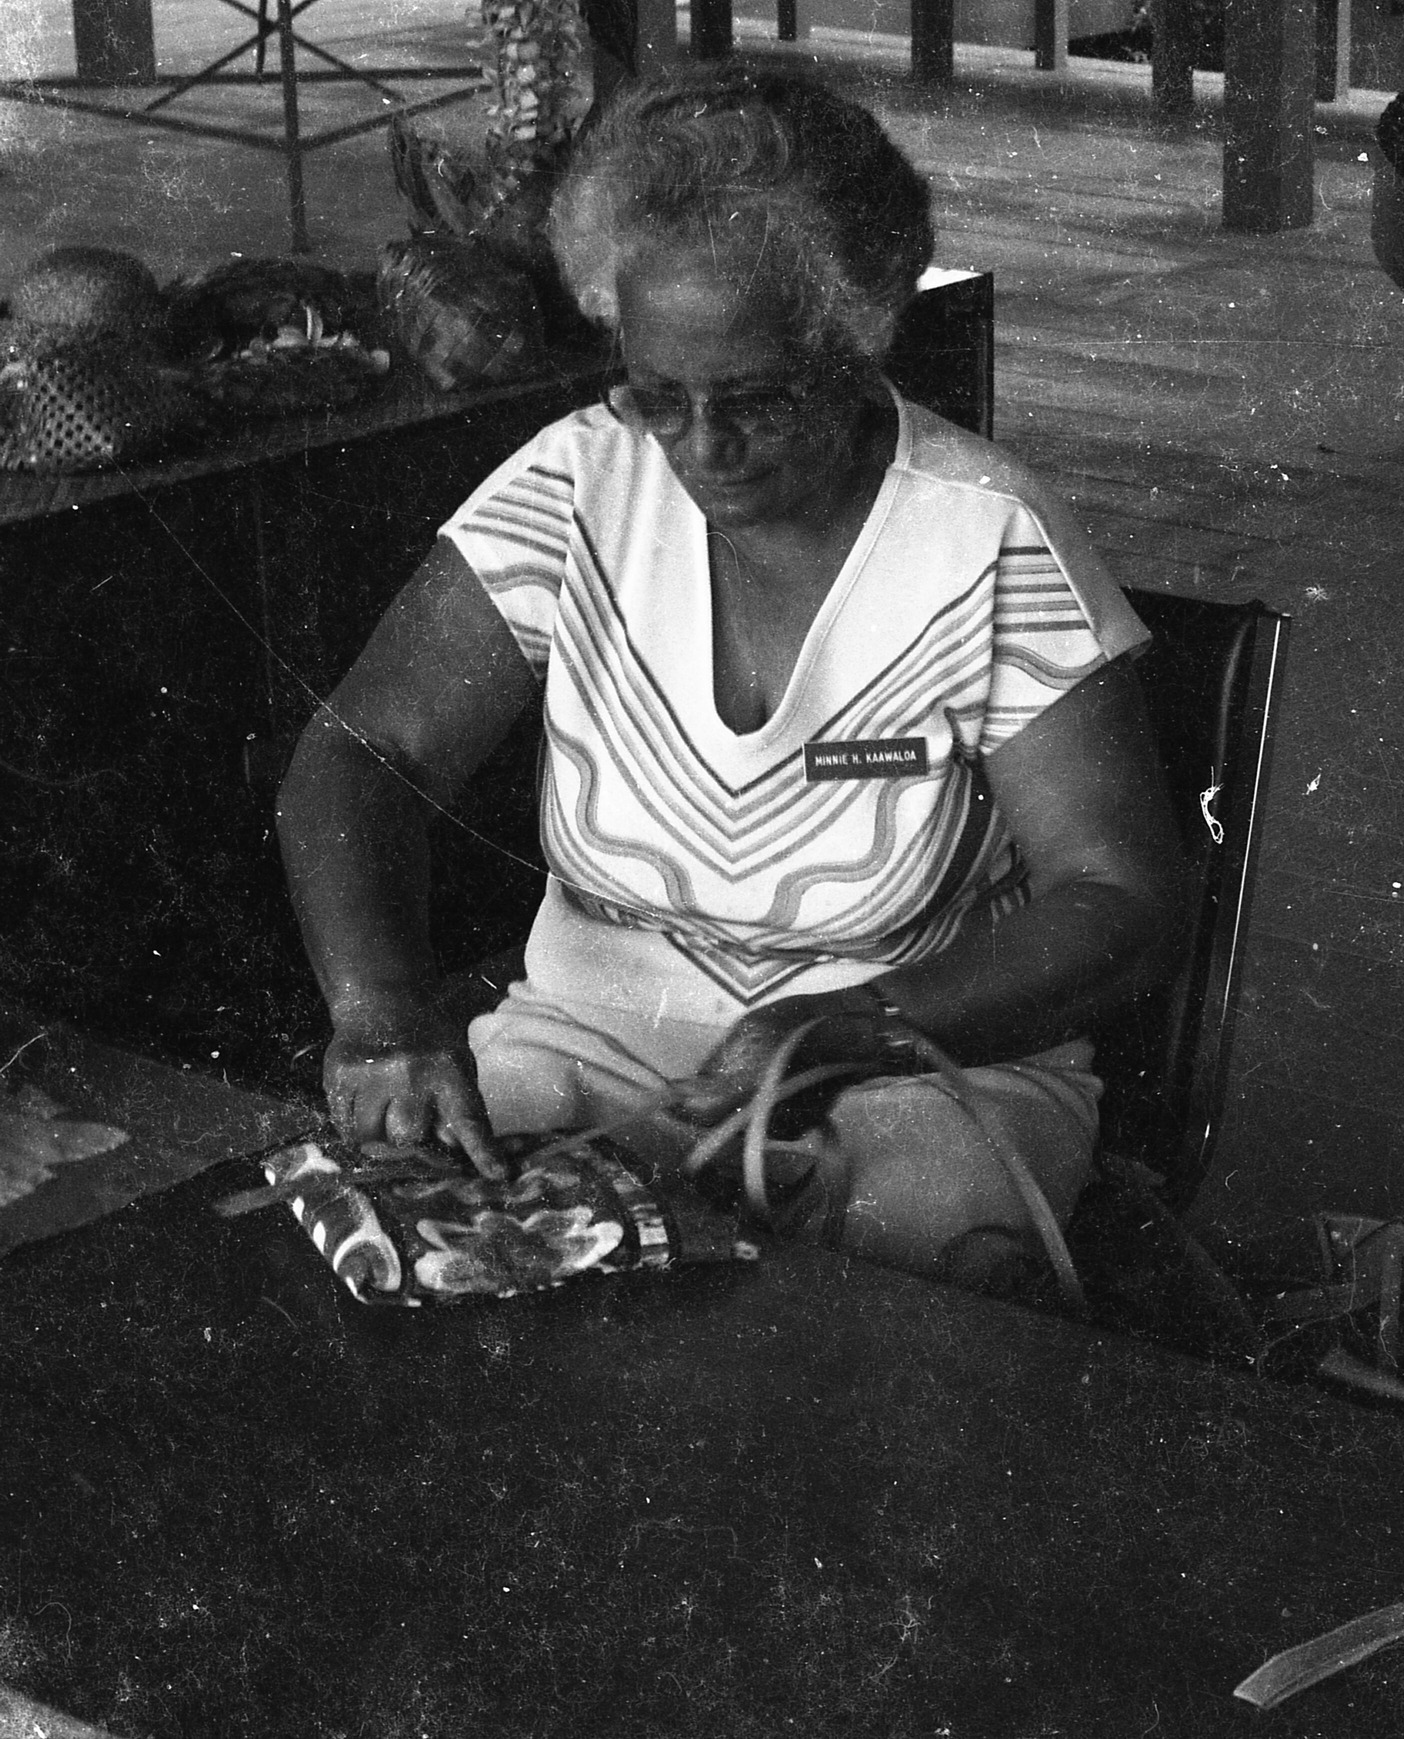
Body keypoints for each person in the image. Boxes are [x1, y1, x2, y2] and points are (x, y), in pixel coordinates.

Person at [277, 63, 1180, 1291]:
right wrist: (380, 1007)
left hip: (915, 1063)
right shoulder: (579, 484)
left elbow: (1120, 893)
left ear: (857, 340)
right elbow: (364, 750)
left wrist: (858, 1026)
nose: (704, 451)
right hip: (593, 1039)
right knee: (438, 1258)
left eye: (758, 399)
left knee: (910, 1281)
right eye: (659, 396)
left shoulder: (984, 537)